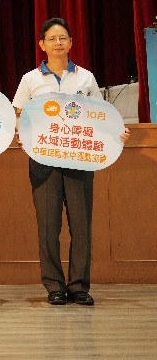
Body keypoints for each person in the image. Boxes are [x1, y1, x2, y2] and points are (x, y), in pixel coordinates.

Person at [12, 17, 129, 306]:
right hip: (43, 161)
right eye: (52, 38)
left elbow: (101, 116)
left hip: (80, 159)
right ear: (42, 44)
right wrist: (21, 134)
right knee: (48, 226)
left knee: (81, 224)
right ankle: (54, 286)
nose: (58, 42)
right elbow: (18, 114)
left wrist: (117, 133)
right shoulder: (30, 79)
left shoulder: (85, 78)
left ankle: (79, 286)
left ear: (71, 43)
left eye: (62, 37)